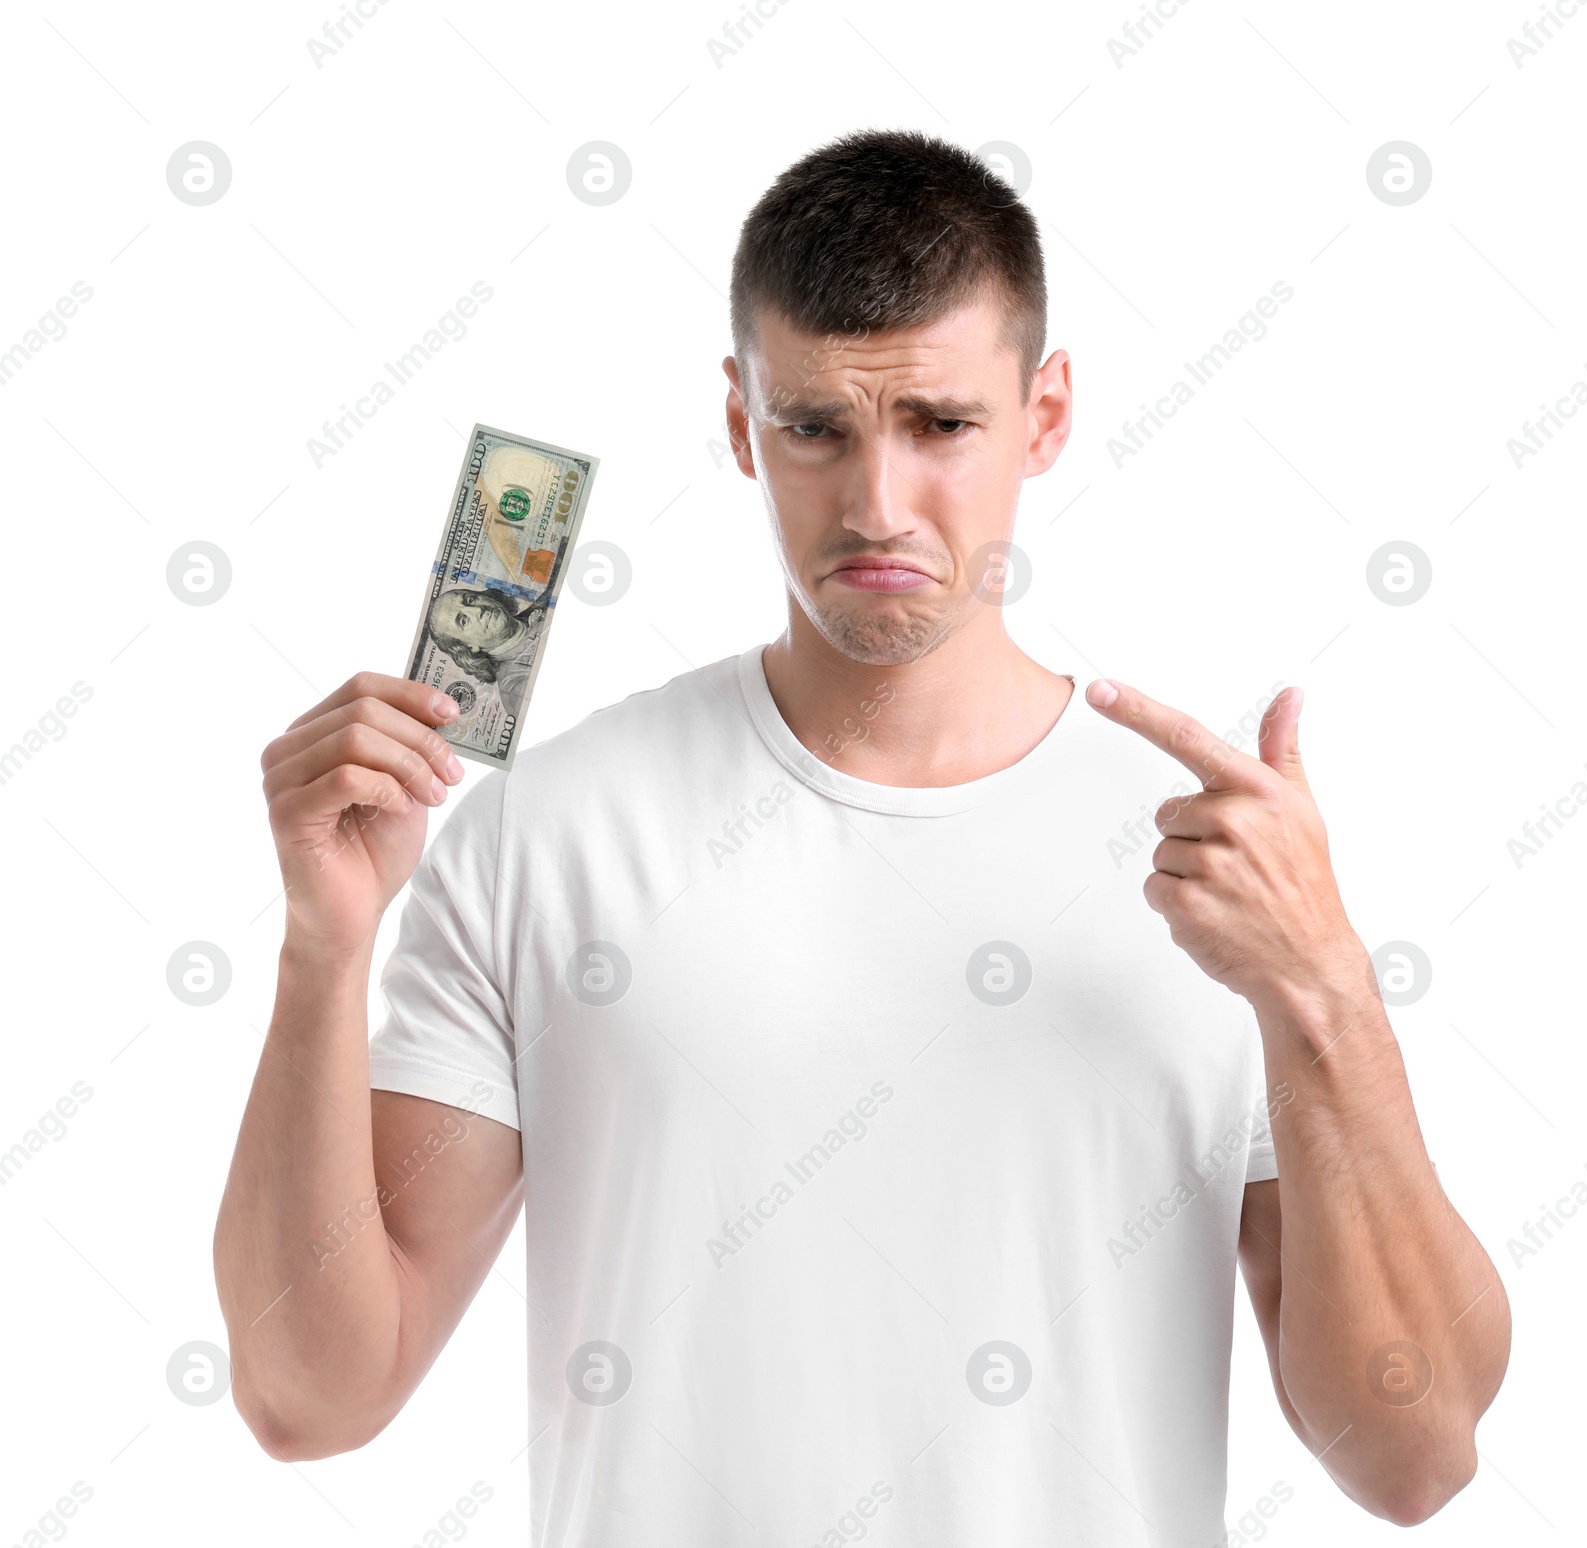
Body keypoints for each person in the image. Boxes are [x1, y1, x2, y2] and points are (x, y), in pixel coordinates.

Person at [216, 129, 1510, 1544]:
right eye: (816, 427)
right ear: (738, 421)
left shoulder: (1213, 868)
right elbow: (309, 1398)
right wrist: (322, 946)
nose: (878, 502)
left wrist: (1322, 987)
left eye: (942, 426)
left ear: (1048, 413)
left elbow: (1413, 1454)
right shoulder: (551, 832)